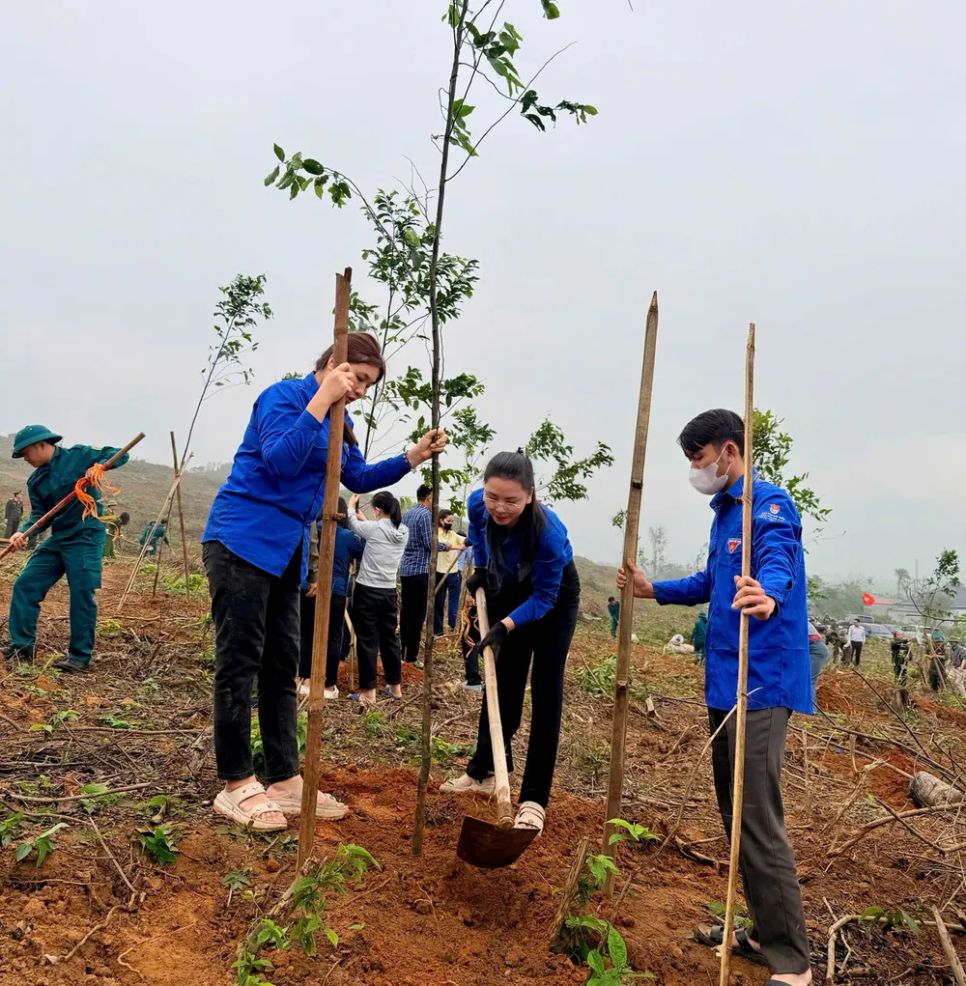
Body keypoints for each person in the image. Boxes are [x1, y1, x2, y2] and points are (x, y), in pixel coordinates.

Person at [201, 332, 446, 832]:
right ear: (334, 364)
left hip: (286, 554)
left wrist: (413, 457)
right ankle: (235, 783)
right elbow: (281, 460)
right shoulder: (283, 398)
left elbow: (357, 478)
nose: (359, 390)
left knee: (281, 665)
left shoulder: (344, 419)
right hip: (242, 541)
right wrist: (322, 399)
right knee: (239, 663)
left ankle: (284, 779)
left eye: (368, 384)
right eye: (356, 378)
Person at [617, 408, 812, 986]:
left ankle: (792, 963)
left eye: (699, 460)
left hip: (761, 683)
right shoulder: (724, 515)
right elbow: (710, 582)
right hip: (725, 682)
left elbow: (780, 558)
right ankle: (760, 930)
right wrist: (656, 590)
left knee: (756, 816)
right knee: (735, 814)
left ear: (729, 451)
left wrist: (769, 592)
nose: (697, 472)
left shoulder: (768, 506)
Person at [439, 451, 580, 836]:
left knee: (547, 691)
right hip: (510, 587)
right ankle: (484, 771)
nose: (500, 508)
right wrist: (482, 569)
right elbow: (481, 536)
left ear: (530, 495)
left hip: (552, 599)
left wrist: (505, 625)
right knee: (502, 685)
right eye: (493, 497)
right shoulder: (478, 506)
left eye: (511, 500)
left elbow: (545, 599)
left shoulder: (549, 534)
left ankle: (534, 799)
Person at [4, 425, 130, 672]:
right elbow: (41, 515)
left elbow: (120, 453)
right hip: (59, 538)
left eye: (26, 453)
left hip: (85, 536)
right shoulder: (36, 480)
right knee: (26, 584)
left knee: (81, 592)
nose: (26, 460)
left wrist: (100, 467)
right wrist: (24, 533)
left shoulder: (79, 456)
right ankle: (21, 646)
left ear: (41, 444)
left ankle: (80, 656)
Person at [345, 491, 408, 704]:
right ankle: (395, 687)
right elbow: (376, 530)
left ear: (377, 510)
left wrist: (351, 506)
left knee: (367, 640)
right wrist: (367, 520)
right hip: (389, 591)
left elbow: (353, 524)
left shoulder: (374, 529)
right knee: (390, 639)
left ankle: (368, 692)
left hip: (367, 591)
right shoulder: (403, 531)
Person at [298, 499, 363, 700]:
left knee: (307, 633)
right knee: (334, 636)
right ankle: (328, 684)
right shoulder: (346, 537)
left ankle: (305, 679)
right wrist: (358, 521)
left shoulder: (310, 529)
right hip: (336, 591)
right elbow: (365, 547)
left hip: (310, 588)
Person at [399, 484, 435, 666]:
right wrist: (446, 546)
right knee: (417, 614)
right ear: (429, 499)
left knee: (406, 611)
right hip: (420, 570)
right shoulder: (425, 515)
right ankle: (411, 656)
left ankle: (402, 651)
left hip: (405, 569)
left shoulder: (407, 513)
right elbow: (430, 544)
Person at [434, 509, 465, 635]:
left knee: (454, 603)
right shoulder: (436, 533)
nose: (450, 523)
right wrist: (456, 547)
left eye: (452, 521)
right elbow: (438, 546)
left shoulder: (453, 534)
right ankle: (438, 631)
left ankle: (452, 627)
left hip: (453, 573)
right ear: (441, 520)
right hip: (439, 573)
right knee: (439, 603)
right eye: (448, 521)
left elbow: (464, 541)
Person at [807, 620, 829, 707]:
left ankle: (812, 708)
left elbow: (815, 638)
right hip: (810, 649)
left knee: (810, 679)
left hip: (816, 651)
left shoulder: (801, 622)